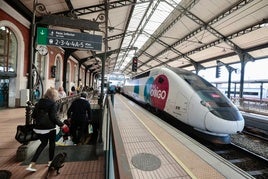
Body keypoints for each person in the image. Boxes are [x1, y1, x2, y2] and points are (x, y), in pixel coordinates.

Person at [26, 88, 68, 172]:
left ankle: (32, 164)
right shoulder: (53, 104)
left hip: (38, 129)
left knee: (43, 143)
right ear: (53, 96)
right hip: (49, 129)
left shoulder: (38, 103)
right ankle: (50, 162)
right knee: (52, 144)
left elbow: (33, 116)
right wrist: (62, 125)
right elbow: (53, 117)